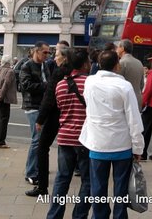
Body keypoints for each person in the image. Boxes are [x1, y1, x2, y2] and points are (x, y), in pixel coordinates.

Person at [79, 50, 144, 219]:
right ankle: (119, 216)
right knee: (120, 189)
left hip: (97, 144)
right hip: (121, 145)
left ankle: (99, 216)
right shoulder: (124, 86)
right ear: (117, 65)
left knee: (98, 188)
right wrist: (138, 147)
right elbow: (134, 119)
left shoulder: (90, 82)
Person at [46, 49, 91, 219]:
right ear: (85, 63)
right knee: (87, 180)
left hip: (64, 137)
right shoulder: (89, 83)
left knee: (62, 179)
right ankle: (79, 216)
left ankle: (54, 215)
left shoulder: (60, 84)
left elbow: (60, 108)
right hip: (84, 139)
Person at [26, 43, 71, 197]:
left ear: (64, 58)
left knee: (42, 148)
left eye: (56, 55)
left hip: (54, 115)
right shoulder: (76, 72)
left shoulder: (58, 73)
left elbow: (49, 98)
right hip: (72, 116)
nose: (53, 57)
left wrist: (40, 120)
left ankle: (42, 187)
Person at [20, 41, 51, 185]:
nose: (47, 55)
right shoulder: (27, 66)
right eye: (45, 52)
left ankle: (38, 168)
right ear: (36, 51)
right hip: (32, 106)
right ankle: (31, 172)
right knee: (37, 140)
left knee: (42, 141)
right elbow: (25, 85)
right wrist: (46, 86)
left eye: (49, 52)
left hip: (43, 106)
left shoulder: (45, 65)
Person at [116, 38, 144, 109]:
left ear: (122, 48)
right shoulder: (139, 63)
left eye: (118, 47)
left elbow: (117, 84)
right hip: (137, 100)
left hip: (124, 102)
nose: (116, 50)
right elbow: (142, 85)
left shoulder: (121, 63)